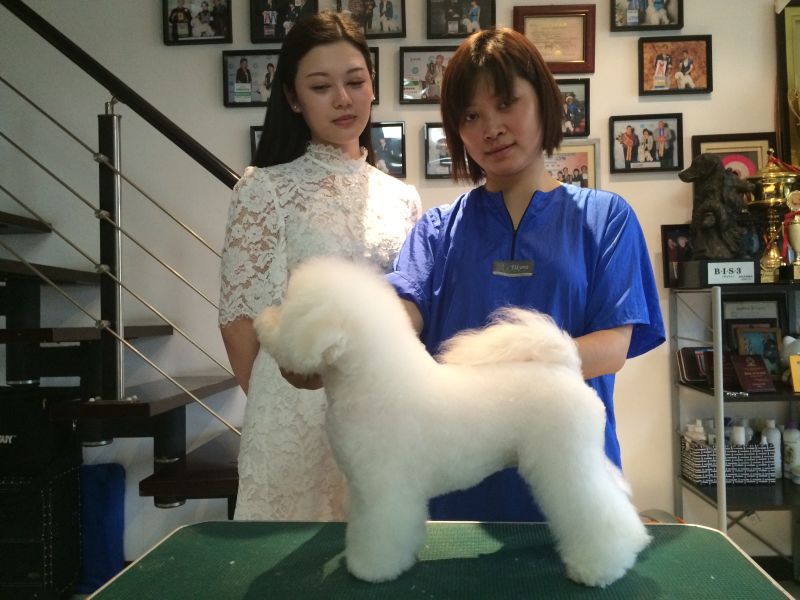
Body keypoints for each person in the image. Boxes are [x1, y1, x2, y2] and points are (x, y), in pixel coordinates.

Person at [386, 27, 664, 523]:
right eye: (471, 116)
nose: (490, 129)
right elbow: (399, 320)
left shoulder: (606, 218)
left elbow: (612, 348)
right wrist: (347, 339)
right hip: (456, 488)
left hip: (570, 481)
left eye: (505, 103)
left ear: (544, 100)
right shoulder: (436, 230)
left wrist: (501, 377)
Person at [219, 12, 420, 521]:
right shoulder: (264, 189)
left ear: (372, 85)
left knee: (380, 550)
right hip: (295, 418)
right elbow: (240, 321)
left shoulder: (403, 198)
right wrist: (279, 410)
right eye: (321, 86)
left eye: (355, 81)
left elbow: (410, 314)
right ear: (293, 98)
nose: (343, 99)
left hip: (382, 411)